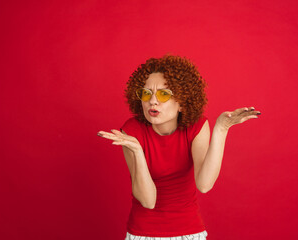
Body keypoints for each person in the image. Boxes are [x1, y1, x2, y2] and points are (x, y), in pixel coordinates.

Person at [97, 55, 261, 240]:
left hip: (189, 232)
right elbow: (148, 201)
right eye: (146, 93)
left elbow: (204, 185)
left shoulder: (196, 126)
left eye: (163, 94)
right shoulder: (132, 131)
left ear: (182, 102)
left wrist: (221, 129)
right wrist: (137, 152)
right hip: (142, 232)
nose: (152, 101)